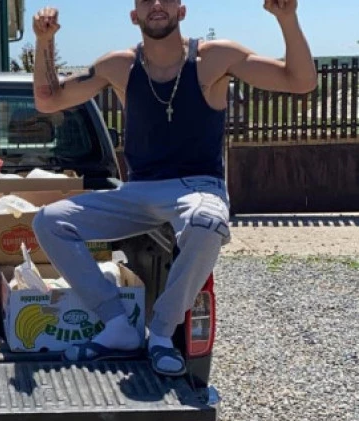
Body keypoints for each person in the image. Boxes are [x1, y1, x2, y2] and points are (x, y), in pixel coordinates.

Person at [31, 0, 316, 376]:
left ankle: (162, 334)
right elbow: (48, 100)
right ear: (134, 15)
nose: (156, 4)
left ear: (182, 11)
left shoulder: (215, 58)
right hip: (138, 191)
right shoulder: (120, 66)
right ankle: (117, 324)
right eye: (145, 0)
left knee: (208, 221)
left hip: (197, 188)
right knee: (49, 221)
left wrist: (287, 18)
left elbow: (301, 81)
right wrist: (44, 41)